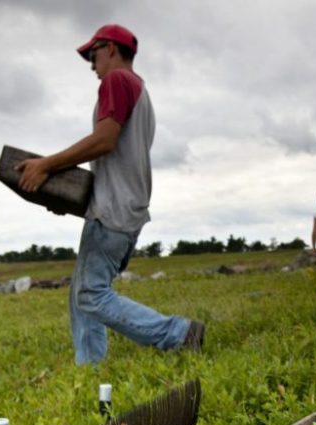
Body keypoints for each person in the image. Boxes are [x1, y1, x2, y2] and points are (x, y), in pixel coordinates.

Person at [16, 23, 203, 365]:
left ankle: (177, 334)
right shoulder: (139, 90)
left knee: (90, 294)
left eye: (93, 53)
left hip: (113, 210)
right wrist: (66, 195)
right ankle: (90, 364)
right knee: (82, 293)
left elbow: (105, 141)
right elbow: (116, 159)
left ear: (111, 49)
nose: (90, 63)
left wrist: (47, 165)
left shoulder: (117, 81)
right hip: (121, 205)